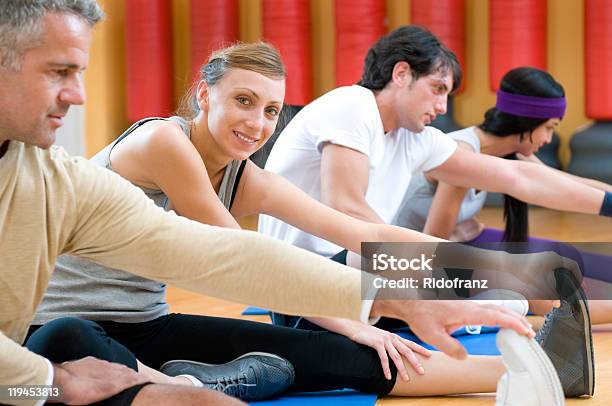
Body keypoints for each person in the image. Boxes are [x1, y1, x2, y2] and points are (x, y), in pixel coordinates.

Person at [0, 3, 536, 406]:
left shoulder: (241, 175)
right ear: (204, 95)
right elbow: (227, 257)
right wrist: (368, 309)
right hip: (71, 333)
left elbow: (353, 231)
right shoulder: (162, 142)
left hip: (148, 325)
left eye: (272, 109)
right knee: (70, 341)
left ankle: (529, 373)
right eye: (243, 101)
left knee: (360, 354)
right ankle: (178, 384)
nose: (257, 123)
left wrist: (494, 276)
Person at [258, 25, 604, 398]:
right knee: (514, 280)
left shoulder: (414, 139)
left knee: (404, 352)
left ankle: (553, 371)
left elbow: (519, 176)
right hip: (306, 285)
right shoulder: (352, 105)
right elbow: (345, 208)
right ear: (401, 74)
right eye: (437, 89)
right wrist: (446, 265)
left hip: (354, 281)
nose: (442, 107)